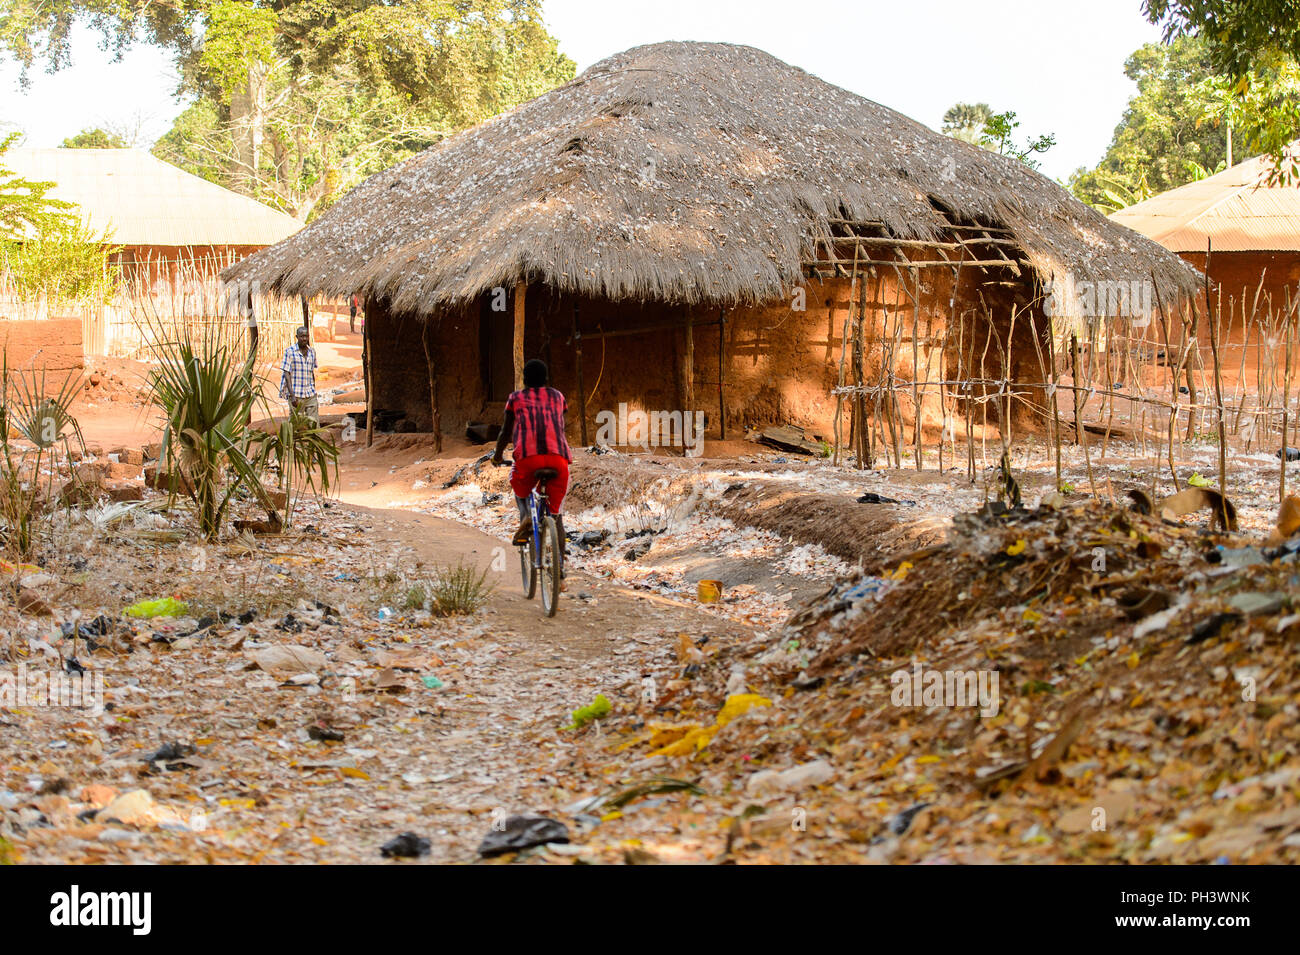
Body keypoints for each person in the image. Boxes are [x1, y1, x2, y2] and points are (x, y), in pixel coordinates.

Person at [491, 359, 571, 575]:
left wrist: (497, 456)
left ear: (524, 380)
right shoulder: (558, 396)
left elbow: (505, 433)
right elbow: (560, 423)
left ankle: (526, 514)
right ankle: (560, 568)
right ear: (546, 379)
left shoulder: (515, 398)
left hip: (528, 459)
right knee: (557, 515)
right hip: (559, 460)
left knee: (519, 484)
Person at [280, 326, 319, 422]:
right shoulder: (289, 352)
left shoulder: (312, 352)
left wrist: (313, 388)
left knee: (313, 422)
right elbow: (286, 374)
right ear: (297, 337)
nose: (304, 339)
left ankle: (315, 437)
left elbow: (311, 372)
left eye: (306, 336)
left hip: (310, 393)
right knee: (296, 423)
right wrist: (292, 395)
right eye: (302, 336)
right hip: (296, 394)